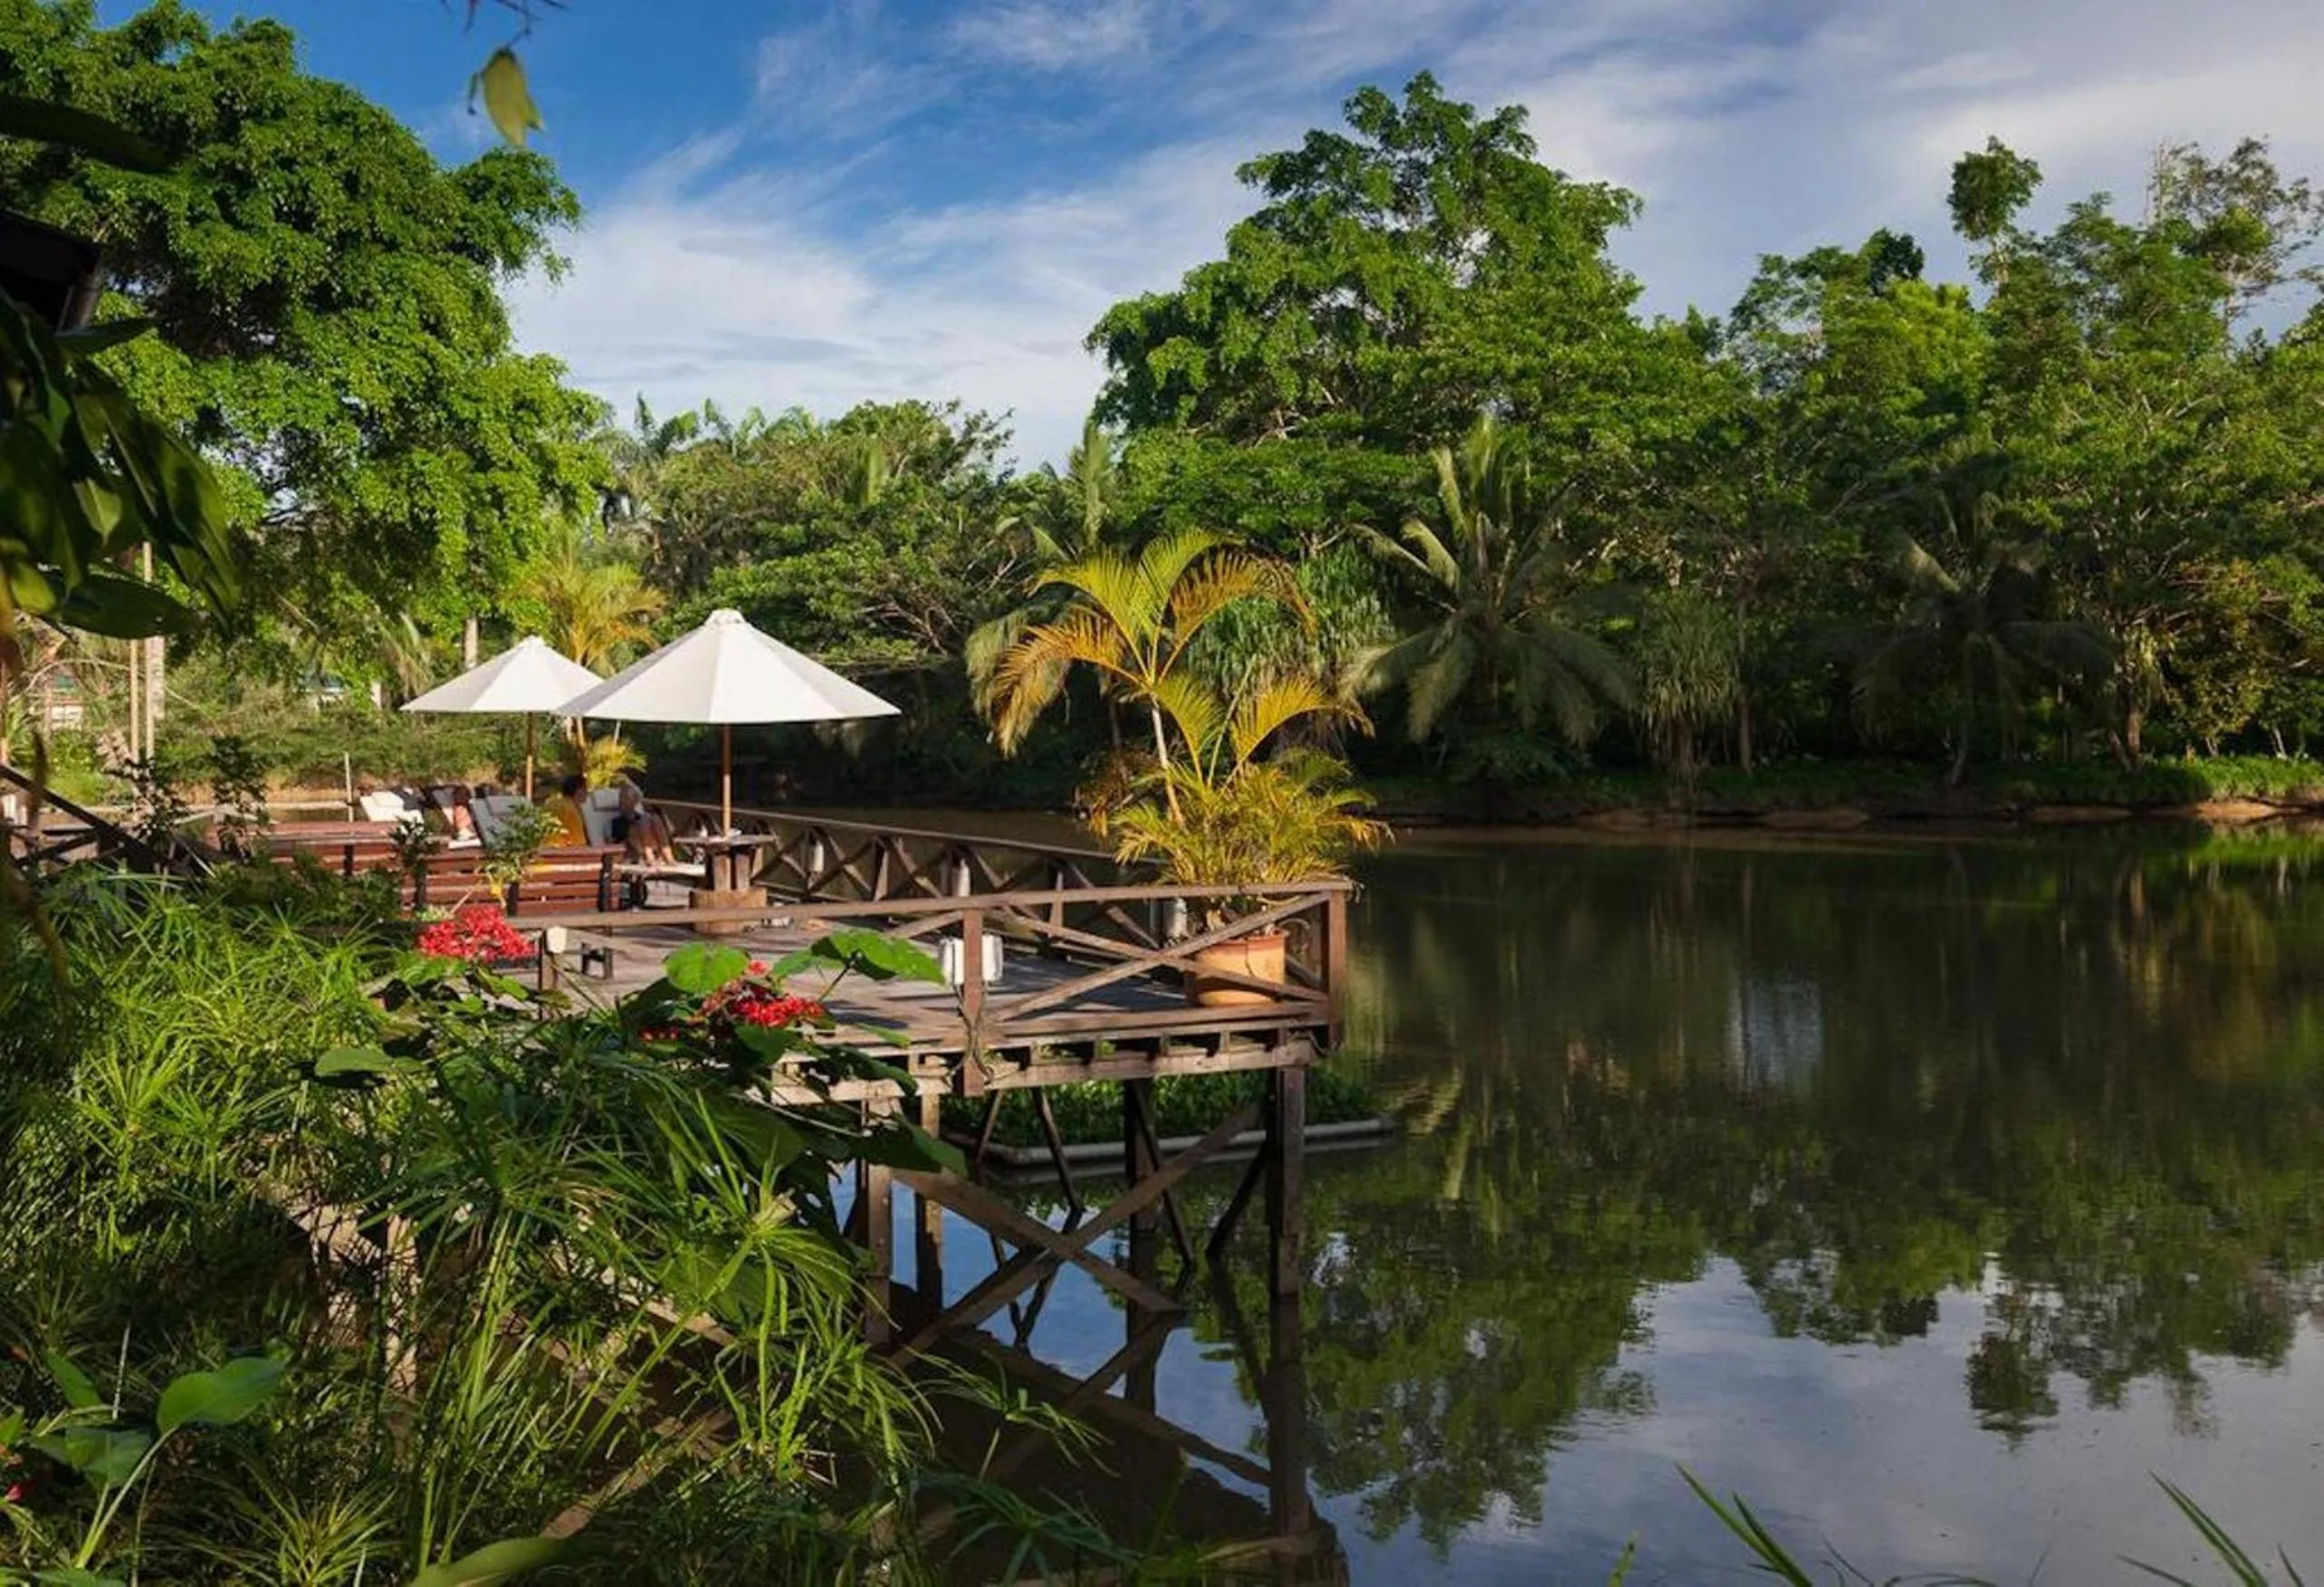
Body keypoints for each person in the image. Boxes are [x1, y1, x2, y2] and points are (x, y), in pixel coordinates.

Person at [613, 776, 677, 866]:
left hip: (652, 843)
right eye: (622, 798)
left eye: (628, 798)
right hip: (633, 846)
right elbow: (617, 842)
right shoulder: (617, 821)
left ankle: (667, 854)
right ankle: (650, 855)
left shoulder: (640, 816)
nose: (624, 801)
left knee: (655, 818)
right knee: (645, 819)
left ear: (634, 801)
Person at [543, 774, 589, 848]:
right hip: (563, 852)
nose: (587, 793)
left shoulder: (551, 804)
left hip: (544, 850)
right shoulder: (571, 810)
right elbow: (579, 843)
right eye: (585, 789)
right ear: (578, 791)